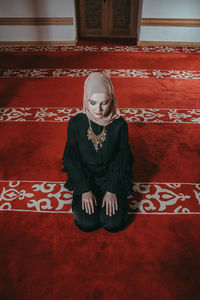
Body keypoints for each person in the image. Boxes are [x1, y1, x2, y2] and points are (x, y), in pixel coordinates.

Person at [62, 72, 134, 232]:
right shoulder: (75, 123)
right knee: (87, 223)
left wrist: (113, 189)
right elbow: (71, 158)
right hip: (86, 177)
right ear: (85, 99)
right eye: (92, 102)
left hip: (111, 176)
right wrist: (84, 189)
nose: (98, 110)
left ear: (112, 99)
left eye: (105, 102)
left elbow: (122, 158)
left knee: (113, 223)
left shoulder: (120, 124)